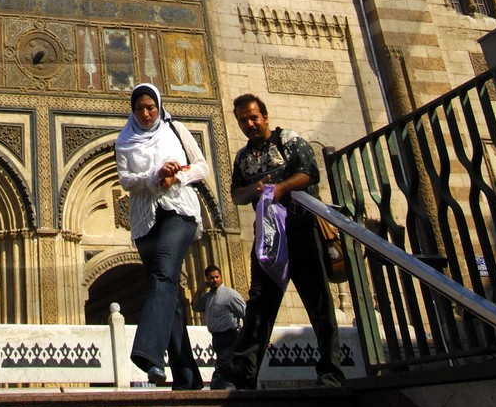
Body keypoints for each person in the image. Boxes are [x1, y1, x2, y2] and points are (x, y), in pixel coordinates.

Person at [223, 93, 344, 389]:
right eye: (243, 120)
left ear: (265, 117)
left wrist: (281, 188)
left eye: (253, 117)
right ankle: (244, 373)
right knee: (260, 301)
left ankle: (331, 372)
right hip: (269, 235)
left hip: (301, 227)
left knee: (318, 300)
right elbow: (237, 195)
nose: (249, 124)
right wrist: (257, 189)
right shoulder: (243, 158)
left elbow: (309, 173)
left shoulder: (288, 140)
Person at [115, 82, 209, 389]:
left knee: (163, 275)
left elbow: (202, 168)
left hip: (179, 209)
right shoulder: (125, 140)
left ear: (159, 106)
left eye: (151, 107)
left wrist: (176, 176)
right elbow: (126, 180)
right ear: (132, 110)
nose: (146, 113)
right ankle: (187, 377)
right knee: (168, 295)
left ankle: (149, 353)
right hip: (145, 220)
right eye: (140, 108)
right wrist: (154, 175)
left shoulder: (175, 129)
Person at [191, 264, 245, 389]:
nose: (215, 280)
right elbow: (195, 306)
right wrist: (200, 289)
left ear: (221, 277)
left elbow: (245, 313)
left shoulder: (230, 295)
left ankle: (216, 389)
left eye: (217, 277)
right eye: (212, 278)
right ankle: (239, 385)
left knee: (223, 365)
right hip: (217, 338)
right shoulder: (209, 297)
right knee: (226, 364)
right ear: (207, 280)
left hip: (229, 336)